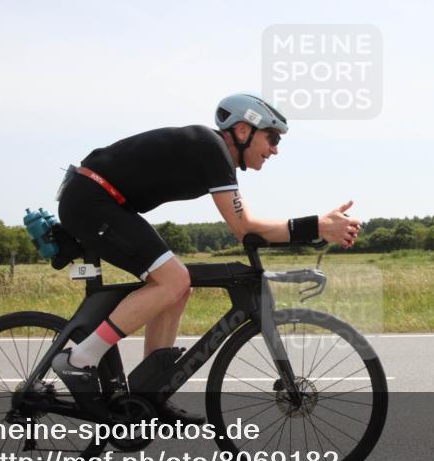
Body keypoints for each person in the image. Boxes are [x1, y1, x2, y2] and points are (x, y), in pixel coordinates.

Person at [52, 93, 362, 423]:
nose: (275, 149)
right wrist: (317, 225)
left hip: (103, 200)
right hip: (92, 200)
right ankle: (80, 359)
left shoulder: (214, 154)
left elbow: (249, 229)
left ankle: (150, 392)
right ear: (243, 131)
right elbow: (245, 228)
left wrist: (317, 227)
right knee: (174, 279)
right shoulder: (212, 148)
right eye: (271, 137)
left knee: (177, 286)